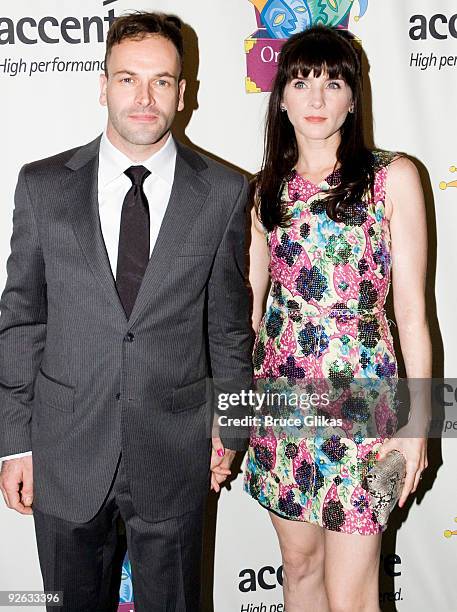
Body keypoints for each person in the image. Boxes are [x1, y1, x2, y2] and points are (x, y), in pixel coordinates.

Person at [0, 11, 252, 612]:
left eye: (162, 81)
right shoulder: (43, 185)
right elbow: (21, 320)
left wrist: (232, 425)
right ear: (103, 85)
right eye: (128, 79)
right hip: (65, 450)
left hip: (176, 450)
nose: (144, 97)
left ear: (182, 92)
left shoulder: (223, 190)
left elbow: (229, 327)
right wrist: (15, 443)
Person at [244, 26, 430, 612]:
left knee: (353, 597)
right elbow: (248, 318)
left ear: (354, 97)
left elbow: (413, 315)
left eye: (333, 82)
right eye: (301, 82)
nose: (317, 98)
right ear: (282, 99)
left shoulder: (392, 177)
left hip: (366, 414)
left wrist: (418, 424)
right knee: (299, 571)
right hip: (280, 409)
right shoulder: (263, 194)